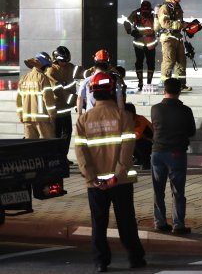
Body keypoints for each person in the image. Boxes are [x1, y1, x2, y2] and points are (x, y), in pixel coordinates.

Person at [74, 72, 146, 272]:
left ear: (92, 93)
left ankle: (100, 262)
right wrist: (117, 176)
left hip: (95, 183)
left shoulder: (83, 120)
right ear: (113, 92)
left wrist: (91, 178)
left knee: (98, 223)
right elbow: (127, 150)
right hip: (120, 183)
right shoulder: (124, 117)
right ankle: (135, 258)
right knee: (126, 221)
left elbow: (80, 153)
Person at [151, 78, 196, 235]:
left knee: (158, 190)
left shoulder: (155, 109)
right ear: (179, 91)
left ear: (164, 90)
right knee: (177, 191)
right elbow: (191, 132)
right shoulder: (186, 111)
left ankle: (160, 222)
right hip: (177, 153)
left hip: (157, 153)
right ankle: (178, 225)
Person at [46, 46, 78, 163]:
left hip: (66, 110)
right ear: (56, 59)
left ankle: (63, 157)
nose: (65, 63)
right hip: (56, 110)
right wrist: (73, 100)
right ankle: (56, 158)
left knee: (67, 134)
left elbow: (81, 72)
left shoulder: (70, 67)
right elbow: (58, 90)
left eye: (66, 60)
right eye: (62, 60)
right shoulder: (51, 71)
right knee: (56, 135)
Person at [158, 0, 192, 91]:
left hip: (177, 37)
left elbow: (178, 22)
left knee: (181, 61)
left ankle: (181, 85)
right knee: (169, 61)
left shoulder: (177, 7)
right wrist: (181, 25)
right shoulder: (165, 7)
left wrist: (187, 25)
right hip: (168, 38)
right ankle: (165, 85)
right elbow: (164, 23)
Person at [16, 53, 57, 139]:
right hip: (42, 119)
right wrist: (52, 114)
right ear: (43, 65)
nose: (47, 69)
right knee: (47, 145)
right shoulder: (42, 78)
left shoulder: (24, 78)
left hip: (27, 118)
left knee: (30, 146)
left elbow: (18, 100)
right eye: (46, 67)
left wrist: (20, 115)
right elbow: (48, 98)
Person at [77, 50, 124, 115]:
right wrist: (121, 115)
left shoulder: (87, 81)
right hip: (110, 116)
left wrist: (79, 115)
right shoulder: (114, 80)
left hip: (91, 116)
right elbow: (120, 99)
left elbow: (80, 98)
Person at [124, 0, 157, 90]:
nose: (145, 12)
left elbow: (160, 25)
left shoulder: (155, 14)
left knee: (151, 63)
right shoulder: (136, 13)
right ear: (141, 8)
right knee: (139, 62)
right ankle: (140, 82)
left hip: (151, 43)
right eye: (143, 10)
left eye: (147, 10)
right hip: (139, 43)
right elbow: (127, 22)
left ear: (150, 9)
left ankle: (149, 83)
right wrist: (130, 31)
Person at [124, 103, 153, 170]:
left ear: (131, 113)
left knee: (135, 142)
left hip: (152, 143)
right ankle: (138, 159)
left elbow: (137, 135)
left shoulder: (139, 119)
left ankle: (146, 163)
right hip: (142, 142)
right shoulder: (128, 120)